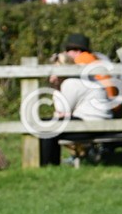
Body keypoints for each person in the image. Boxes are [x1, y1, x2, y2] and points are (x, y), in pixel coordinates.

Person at [40, 34, 115, 167]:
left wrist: (56, 87)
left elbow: (61, 110)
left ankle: (47, 164)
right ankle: (51, 164)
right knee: (50, 123)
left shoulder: (72, 82)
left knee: (45, 125)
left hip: (92, 124)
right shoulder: (86, 73)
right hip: (101, 120)